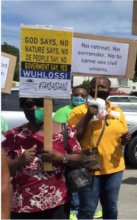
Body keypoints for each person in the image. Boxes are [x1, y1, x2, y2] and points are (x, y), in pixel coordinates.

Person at [2, 97, 83, 219]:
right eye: (29, 105)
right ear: (22, 107)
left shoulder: (64, 130)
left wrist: (61, 157)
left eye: (40, 104)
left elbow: (80, 159)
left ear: (49, 105)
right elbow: (3, 168)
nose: (35, 108)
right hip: (22, 205)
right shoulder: (13, 135)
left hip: (56, 202)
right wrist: (19, 161)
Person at [68, 77, 131, 219]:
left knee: (111, 206)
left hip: (114, 168)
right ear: (90, 89)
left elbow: (121, 137)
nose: (99, 90)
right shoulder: (78, 111)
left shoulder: (117, 111)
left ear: (109, 90)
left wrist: (125, 139)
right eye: (95, 87)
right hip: (89, 168)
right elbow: (72, 137)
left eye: (103, 87)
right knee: (88, 208)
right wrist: (88, 115)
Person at [53, 86, 88, 220]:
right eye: (76, 95)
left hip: (85, 151)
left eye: (82, 96)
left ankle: (82, 206)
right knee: (72, 179)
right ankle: (74, 208)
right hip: (69, 152)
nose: (79, 98)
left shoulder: (90, 110)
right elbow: (58, 134)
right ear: (71, 96)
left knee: (83, 180)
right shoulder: (63, 112)